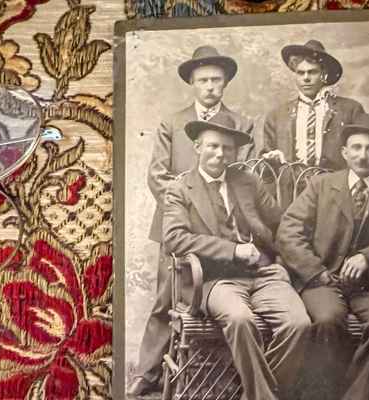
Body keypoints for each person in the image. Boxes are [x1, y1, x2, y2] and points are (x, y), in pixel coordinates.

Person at [128, 45, 253, 396]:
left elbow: (245, 178)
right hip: (177, 223)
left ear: (226, 82)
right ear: (193, 84)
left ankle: (226, 373)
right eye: (203, 80)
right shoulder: (173, 122)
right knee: (166, 298)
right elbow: (158, 176)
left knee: (228, 294)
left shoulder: (241, 125)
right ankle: (149, 372)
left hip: (225, 229)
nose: (210, 86)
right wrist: (185, 207)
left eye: (216, 79)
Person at [162, 112, 311, 400]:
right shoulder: (180, 189)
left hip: (263, 274)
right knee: (241, 319)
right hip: (215, 280)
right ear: (197, 147)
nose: (220, 154)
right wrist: (232, 250)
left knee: (299, 324)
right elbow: (174, 239)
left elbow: (281, 224)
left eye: (227, 148)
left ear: (235, 152)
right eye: (212, 146)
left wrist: (284, 264)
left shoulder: (248, 181)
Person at [276, 113, 369, 400]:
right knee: (328, 319)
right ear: (344, 152)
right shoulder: (321, 185)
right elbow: (288, 232)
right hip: (323, 280)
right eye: (356, 147)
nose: (362, 155)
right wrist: (316, 272)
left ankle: (356, 395)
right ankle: (326, 392)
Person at [262, 40, 364, 171]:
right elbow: (266, 167)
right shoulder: (276, 116)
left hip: (334, 188)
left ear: (324, 75)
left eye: (312, 72)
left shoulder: (350, 110)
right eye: (300, 73)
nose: (306, 78)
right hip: (291, 188)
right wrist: (272, 161)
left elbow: (360, 156)